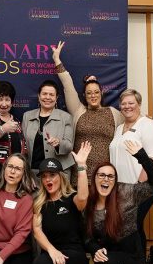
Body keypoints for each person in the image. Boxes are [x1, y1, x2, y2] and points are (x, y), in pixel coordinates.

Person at [84, 140, 153, 264]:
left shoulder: (126, 193)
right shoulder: (88, 203)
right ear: (94, 179)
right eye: (101, 175)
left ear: (115, 180)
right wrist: (94, 250)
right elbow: (86, 237)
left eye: (110, 176)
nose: (106, 179)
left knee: (106, 262)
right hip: (105, 258)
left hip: (132, 258)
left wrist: (142, 157)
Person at [28, 142, 91, 264]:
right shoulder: (39, 204)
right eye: (45, 176)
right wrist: (52, 251)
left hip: (73, 255)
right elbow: (37, 231)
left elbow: (84, 195)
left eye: (53, 175)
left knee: (39, 263)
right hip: (51, 257)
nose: (49, 180)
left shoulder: (71, 199)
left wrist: (82, 167)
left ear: (61, 177)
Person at [52, 41, 124, 185]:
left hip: (104, 176)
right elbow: (67, 85)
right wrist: (57, 59)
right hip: (80, 174)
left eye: (96, 92)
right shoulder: (78, 110)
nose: (93, 95)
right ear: (84, 96)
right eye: (89, 93)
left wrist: (145, 120)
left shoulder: (114, 113)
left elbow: (131, 121)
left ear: (101, 93)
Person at [109, 89, 153, 261]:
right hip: (121, 187)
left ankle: (138, 262)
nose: (127, 106)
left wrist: (139, 184)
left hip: (141, 186)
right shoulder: (119, 128)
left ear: (139, 104)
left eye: (131, 103)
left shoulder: (147, 125)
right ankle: (136, 260)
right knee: (131, 225)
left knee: (134, 223)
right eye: (123, 104)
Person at [22, 79, 74, 174]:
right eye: (44, 94)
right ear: (39, 96)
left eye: (51, 95)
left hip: (59, 171)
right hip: (33, 172)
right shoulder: (27, 116)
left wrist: (59, 143)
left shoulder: (66, 117)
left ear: (57, 97)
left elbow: (69, 146)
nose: (47, 97)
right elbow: (23, 145)